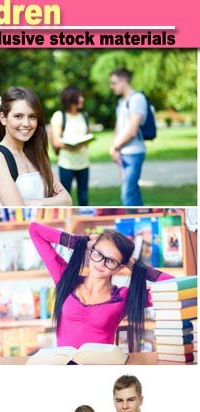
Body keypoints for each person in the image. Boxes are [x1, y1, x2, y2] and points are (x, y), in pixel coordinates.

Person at [28, 219, 171, 360]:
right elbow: (35, 230)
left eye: (110, 261)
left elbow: (175, 286)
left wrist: (137, 268)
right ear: (91, 251)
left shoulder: (125, 297)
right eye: (98, 254)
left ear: (120, 267)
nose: (101, 264)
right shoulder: (66, 279)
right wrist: (79, 242)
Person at [0, 88, 68, 207]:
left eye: (32, 116)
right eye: (18, 116)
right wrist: (53, 201)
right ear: (3, 118)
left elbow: (67, 200)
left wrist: (33, 203)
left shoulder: (36, 155)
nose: (26, 123)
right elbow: (17, 207)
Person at [109, 67, 150, 206]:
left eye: (114, 83)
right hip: (123, 152)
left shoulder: (137, 98)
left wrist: (115, 146)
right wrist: (115, 149)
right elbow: (119, 128)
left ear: (124, 80)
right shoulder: (122, 102)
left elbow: (132, 130)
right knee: (133, 191)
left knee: (128, 193)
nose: (111, 86)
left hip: (134, 153)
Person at [50, 85, 94, 205]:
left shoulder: (83, 115)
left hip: (84, 163)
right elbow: (56, 141)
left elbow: (88, 135)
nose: (82, 99)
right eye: (79, 97)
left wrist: (85, 141)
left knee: (84, 198)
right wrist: (72, 145)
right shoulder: (59, 116)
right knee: (65, 198)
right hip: (66, 164)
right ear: (71, 98)